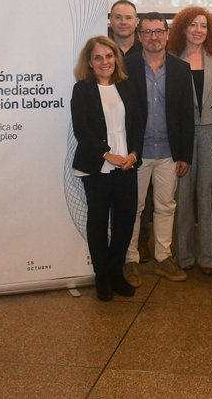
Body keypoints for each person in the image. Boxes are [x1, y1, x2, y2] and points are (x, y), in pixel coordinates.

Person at [121, 13, 194, 285]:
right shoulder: (124, 67)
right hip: (136, 154)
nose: (154, 37)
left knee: (165, 206)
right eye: (148, 32)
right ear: (140, 36)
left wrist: (185, 154)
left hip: (168, 152)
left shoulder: (180, 68)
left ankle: (163, 258)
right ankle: (130, 260)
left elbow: (187, 114)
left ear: (166, 34)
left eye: (159, 31)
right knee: (134, 208)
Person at [70, 36, 143, 301]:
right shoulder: (82, 89)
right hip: (97, 166)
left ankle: (116, 273)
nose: (105, 62)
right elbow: (82, 130)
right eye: (98, 57)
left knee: (125, 222)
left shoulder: (127, 85)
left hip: (127, 165)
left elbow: (137, 124)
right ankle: (102, 276)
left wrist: (134, 153)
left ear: (116, 58)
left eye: (109, 56)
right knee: (98, 222)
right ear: (89, 62)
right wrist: (106, 154)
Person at [167, 7, 212, 275]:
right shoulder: (171, 58)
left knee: (208, 193)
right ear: (182, 28)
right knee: (182, 194)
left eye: (203, 25)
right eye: (192, 25)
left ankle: (208, 257)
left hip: (211, 132)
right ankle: (184, 256)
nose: (198, 30)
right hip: (183, 132)